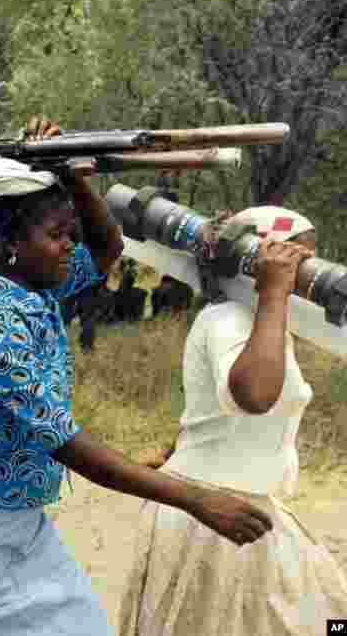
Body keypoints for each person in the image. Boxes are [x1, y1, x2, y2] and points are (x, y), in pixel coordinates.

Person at [0, 116, 275, 636]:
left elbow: (107, 248)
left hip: (23, 528)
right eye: (56, 235)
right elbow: (67, 444)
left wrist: (72, 175)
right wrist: (195, 500)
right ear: (9, 240)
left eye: (68, 233)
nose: (70, 245)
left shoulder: (34, 289)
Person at [118, 207, 347, 636]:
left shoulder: (261, 319)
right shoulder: (230, 317)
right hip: (213, 520)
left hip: (245, 508)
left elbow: (221, 413)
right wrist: (276, 293)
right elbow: (255, 395)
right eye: (298, 262)